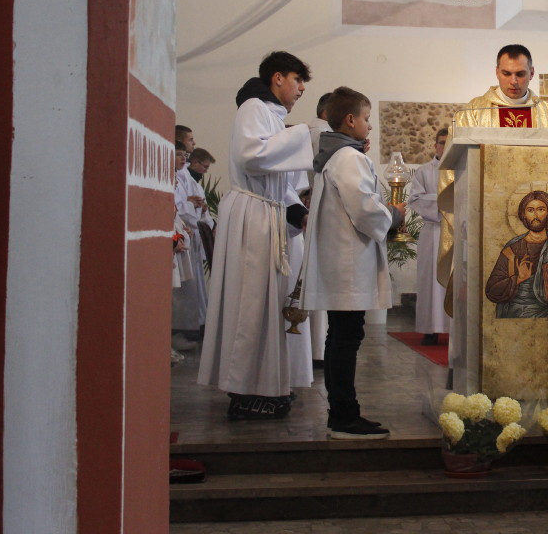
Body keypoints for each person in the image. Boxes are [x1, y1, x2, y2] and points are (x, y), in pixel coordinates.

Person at [198, 51, 315, 421]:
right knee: (251, 305)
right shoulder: (254, 107)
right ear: (277, 78)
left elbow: (284, 184)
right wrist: (305, 134)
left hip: (268, 213)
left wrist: (298, 213)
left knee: (266, 305)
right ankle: (245, 392)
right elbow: (252, 156)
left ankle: (264, 385)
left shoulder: (272, 115)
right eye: (297, 80)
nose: (301, 89)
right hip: (253, 214)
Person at [301, 86, 401, 440]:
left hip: (343, 259)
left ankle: (342, 411)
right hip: (348, 261)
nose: (370, 126)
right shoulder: (347, 158)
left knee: (342, 336)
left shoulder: (339, 155)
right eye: (366, 118)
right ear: (350, 120)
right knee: (345, 337)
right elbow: (364, 208)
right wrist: (395, 216)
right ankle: (344, 416)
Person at [484, 190, 548, 319]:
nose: (536, 215)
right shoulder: (512, 248)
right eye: (530, 210)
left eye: (541, 209)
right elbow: (492, 290)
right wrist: (518, 278)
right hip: (518, 312)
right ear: (523, 214)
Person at [454, 44, 548, 128]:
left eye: (520, 74)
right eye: (506, 74)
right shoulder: (473, 111)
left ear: (531, 73)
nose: (513, 81)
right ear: (497, 72)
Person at [408, 127, 449, 344]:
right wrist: (443, 202)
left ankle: (455, 330)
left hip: (456, 232)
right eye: (442, 142)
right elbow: (415, 199)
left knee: (454, 280)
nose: (445, 147)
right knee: (430, 280)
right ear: (435, 145)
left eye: (449, 143)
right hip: (432, 231)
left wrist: (441, 200)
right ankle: (430, 329)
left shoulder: (463, 170)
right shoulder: (424, 171)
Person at [172, 144, 210, 350]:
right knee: (178, 292)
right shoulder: (174, 177)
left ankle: (186, 332)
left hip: (182, 234)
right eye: (179, 154)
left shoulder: (179, 177)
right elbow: (173, 207)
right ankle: (176, 334)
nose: (183, 159)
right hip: (176, 237)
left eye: (184, 155)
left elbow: (175, 208)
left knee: (188, 289)